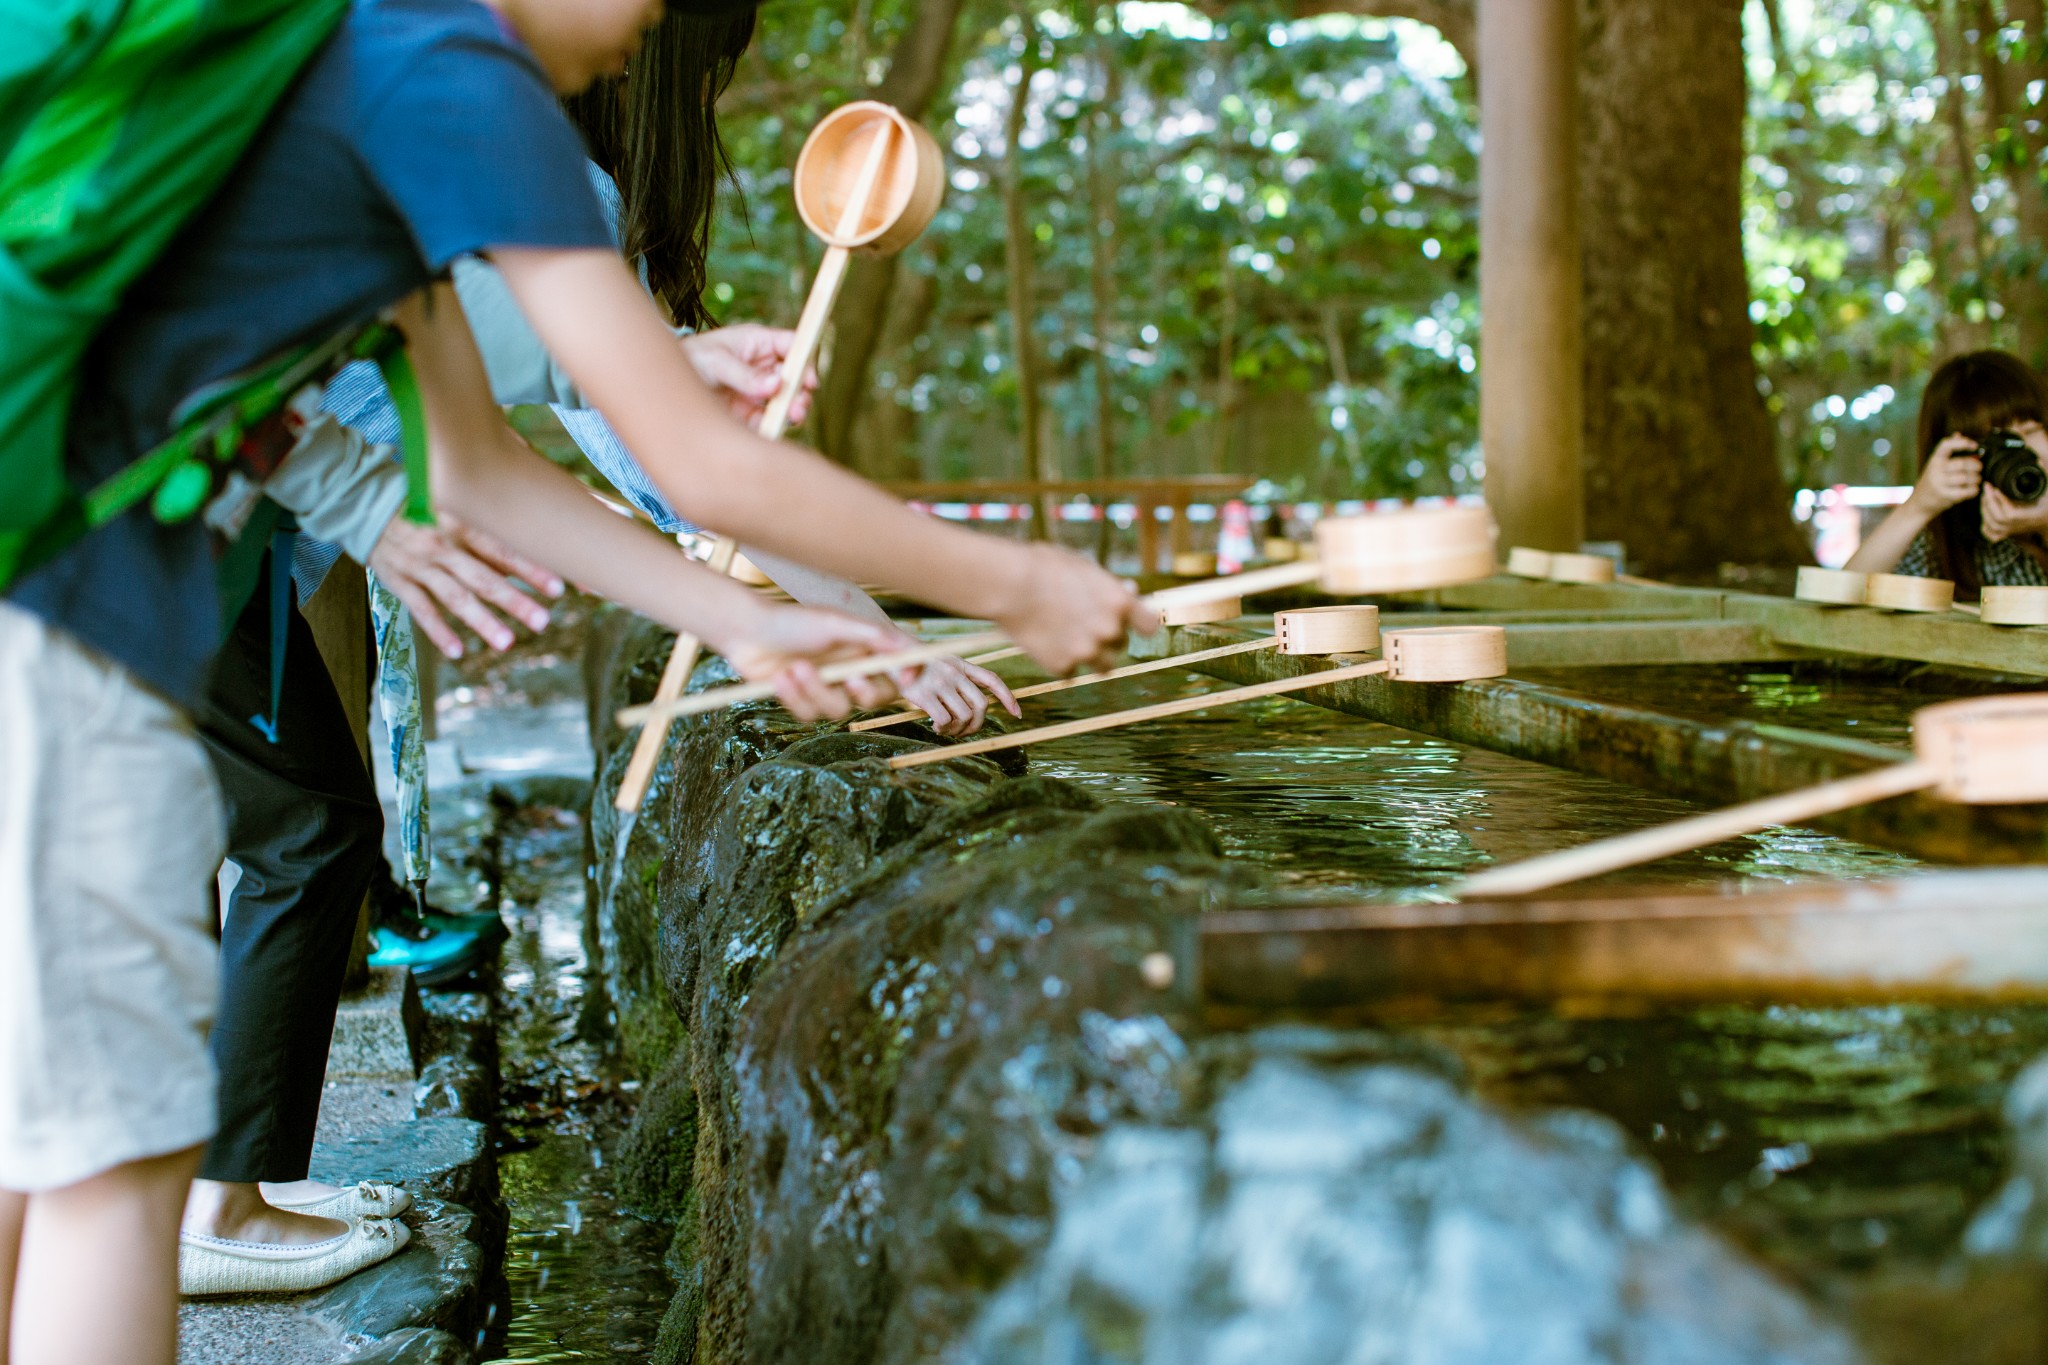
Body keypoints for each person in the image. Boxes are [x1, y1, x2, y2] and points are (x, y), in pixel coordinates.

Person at [1, 0, 1145, 1355]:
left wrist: (743, 618)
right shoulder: (458, 75)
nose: (654, 20)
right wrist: (1020, 587)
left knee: (40, 1139)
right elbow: (711, 470)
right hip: (62, 627)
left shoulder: (349, 59)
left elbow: (481, 470)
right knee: (112, 1177)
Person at [1846, 350, 2048, 597]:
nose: (2019, 453)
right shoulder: (1949, 548)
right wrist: (1918, 506)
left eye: (2029, 430)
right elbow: (1840, 597)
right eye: (1996, 446)